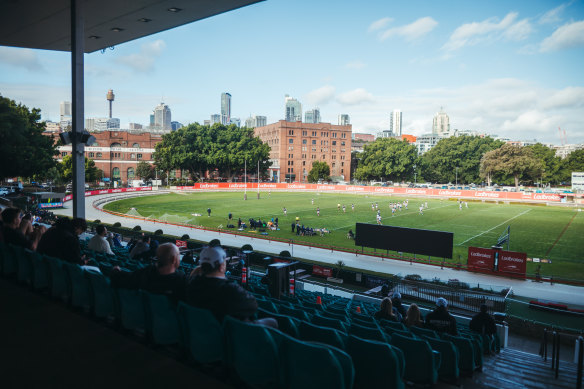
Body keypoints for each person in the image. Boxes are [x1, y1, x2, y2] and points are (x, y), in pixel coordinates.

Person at [186, 246, 276, 327]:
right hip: (230, 334)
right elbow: (253, 307)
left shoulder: (191, 282)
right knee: (273, 322)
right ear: (221, 267)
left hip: (200, 332)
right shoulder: (230, 289)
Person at [110, 243, 186, 301]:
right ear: (173, 259)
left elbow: (125, 278)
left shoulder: (145, 272)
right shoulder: (182, 280)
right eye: (178, 255)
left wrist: (116, 271)